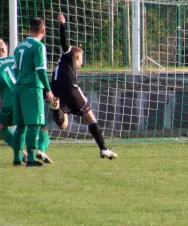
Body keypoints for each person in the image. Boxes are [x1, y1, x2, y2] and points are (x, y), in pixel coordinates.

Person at [50, 12, 117, 160]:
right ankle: (103, 149)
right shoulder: (69, 56)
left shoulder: (59, 65)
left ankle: (56, 110)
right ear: (77, 56)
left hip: (55, 90)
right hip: (70, 88)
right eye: (81, 59)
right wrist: (62, 26)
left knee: (63, 124)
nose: (81, 62)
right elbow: (64, 44)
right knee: (90, 117)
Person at [13, 18, 55, 167]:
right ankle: (31, 158)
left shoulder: (19, 46)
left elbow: (15, 68)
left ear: (29, 29)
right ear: (43, 31)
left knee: (20, 125)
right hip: (32, 88)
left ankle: (17, 157)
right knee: (34, 124)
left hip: (18, 87)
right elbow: (41, 70)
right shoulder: (38, 46)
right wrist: (48, 89)